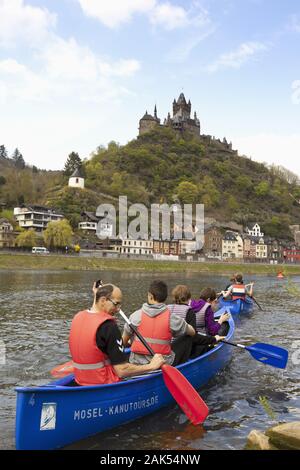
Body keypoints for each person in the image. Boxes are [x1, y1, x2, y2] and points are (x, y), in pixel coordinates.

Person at [69, 283, 165, 386]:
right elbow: (122, 370)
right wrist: (152, 366)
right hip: (103, 385)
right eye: (116, 304)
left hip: (80, 381)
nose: (118, 309)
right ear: (103, 300)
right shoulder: (109, 327)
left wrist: (97, 293)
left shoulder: (77, 317)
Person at [122, 280, 195, 367]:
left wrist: (133, 341)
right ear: (165, 297)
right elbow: (192, 332)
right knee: (188, 337)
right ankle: (183, 367)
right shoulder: (172, 318)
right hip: (162, 364)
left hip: (136, 363)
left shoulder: (135, 316)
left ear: (150, 296)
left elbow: (123, 342)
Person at [169, 284, 225, 359]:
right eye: (215, 301)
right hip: (186, 348)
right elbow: (196, 336)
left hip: (168, 346)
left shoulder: (167, 309)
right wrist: (214, 338)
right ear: (189, 298)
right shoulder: (189, 311)